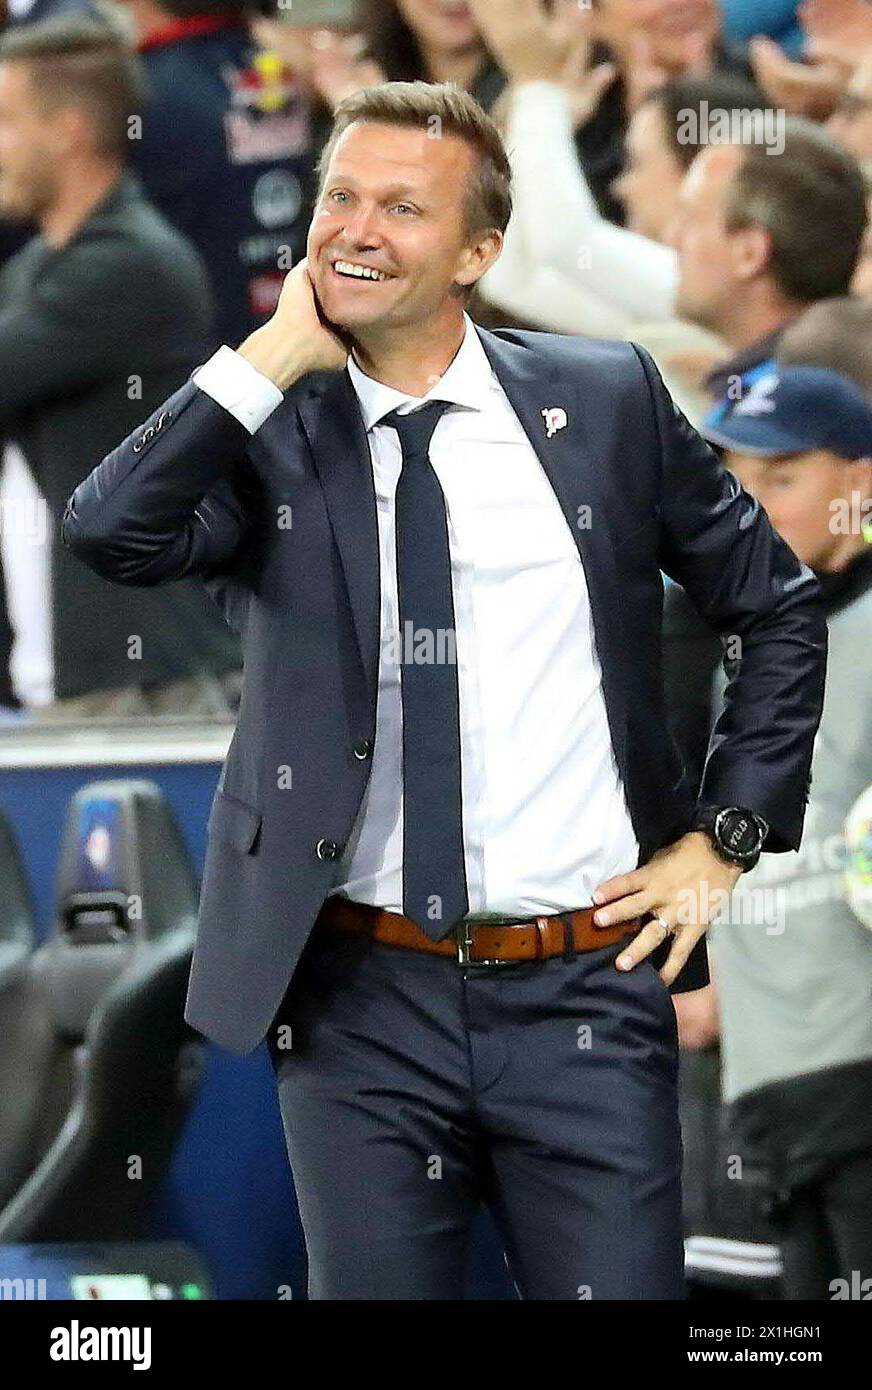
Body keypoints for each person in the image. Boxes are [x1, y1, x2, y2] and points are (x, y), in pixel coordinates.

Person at [63, 80, 826, 1300]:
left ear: (477, 251)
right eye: (340, 198)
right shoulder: (265, 426)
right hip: (359, 1001)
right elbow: (109, 533)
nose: (355, 229)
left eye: (402, 208)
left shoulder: (609, 403)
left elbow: (775, 605)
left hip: (588, 982)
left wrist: (727, 839)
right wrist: (268, 355)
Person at [0, 17, 242, 714]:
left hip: (153, 680)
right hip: (85, 674)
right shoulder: (38, 267)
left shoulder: (131, 265)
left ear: (69, 129)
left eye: (8, 122)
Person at [699, 364, 872, 1299]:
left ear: (863, 483)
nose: (753, 507)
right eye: (737, 481)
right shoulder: (747, 657)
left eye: (785, 478)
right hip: (769, 1087)